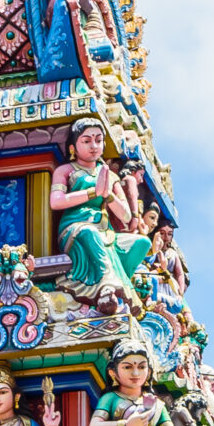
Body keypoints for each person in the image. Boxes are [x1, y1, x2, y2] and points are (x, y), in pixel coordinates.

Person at [48, 118, 149, 313]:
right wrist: (93, 192)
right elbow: (56, 201)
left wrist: (108, 195)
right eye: (86, 141)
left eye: (98, 140)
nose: (94, 146)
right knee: (88, 233)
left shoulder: (110, 176)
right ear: (73, 147)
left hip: (106, 231)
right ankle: (105, 285)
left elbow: (126, 216)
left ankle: (121, 284)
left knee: (141, 243)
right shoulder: (67, 171)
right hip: (76, 226)